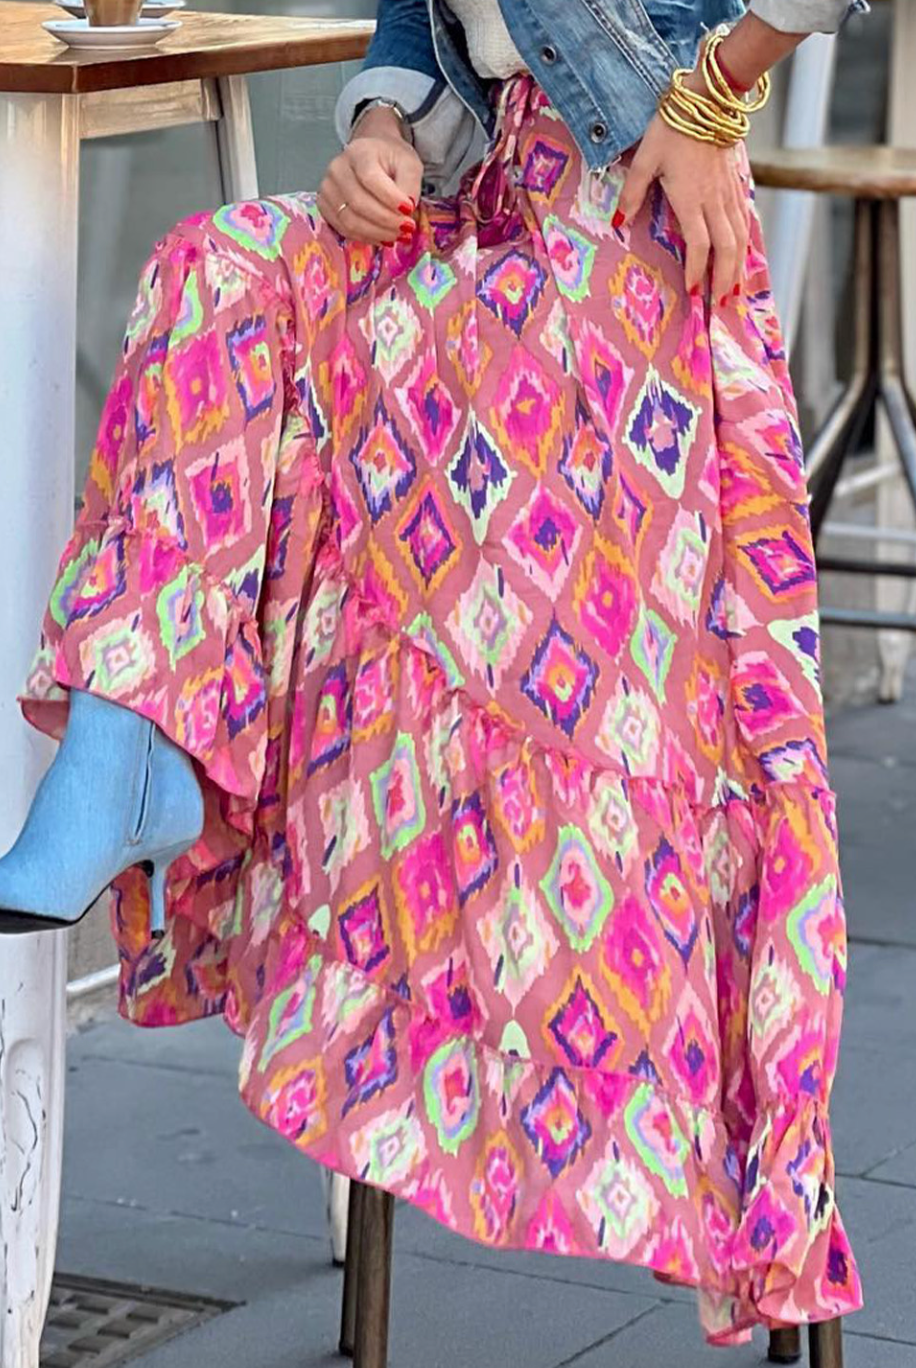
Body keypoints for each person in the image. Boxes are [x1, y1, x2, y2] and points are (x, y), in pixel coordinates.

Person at [0, 0, 864, 1343]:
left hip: (629, 238)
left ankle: (651, 1133)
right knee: (220, 271)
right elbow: (426, 17)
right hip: (479, 213)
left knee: (537, 647)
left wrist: (715, 92)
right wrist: (382, 127)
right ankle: (130, 747)